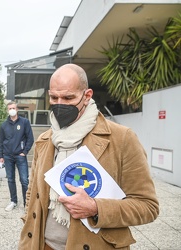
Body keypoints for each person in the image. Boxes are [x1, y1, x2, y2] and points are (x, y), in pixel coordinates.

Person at [19, 64, 159, 249]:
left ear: (87, 96)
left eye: (68, 97)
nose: (60, 104)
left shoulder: (122, 138)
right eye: (54, 97)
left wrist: (95, 208)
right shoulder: (45, 140)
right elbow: (33, 191)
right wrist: (28, 220)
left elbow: (147, 206)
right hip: (42, 245)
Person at [0, 101, 34, 211]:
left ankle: (26, 203)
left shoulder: (24, 122)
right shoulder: (3, 125)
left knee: (24, 180)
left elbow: (30, 138)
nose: (12, 110)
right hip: (8, 156)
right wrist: (1, 156)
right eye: (9, 108)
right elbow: (1, 142)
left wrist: (25, 151)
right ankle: (13, 201)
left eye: (13, 108)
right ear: (7, 110)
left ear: (17, 109)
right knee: (10, 180)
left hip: (20, 155)